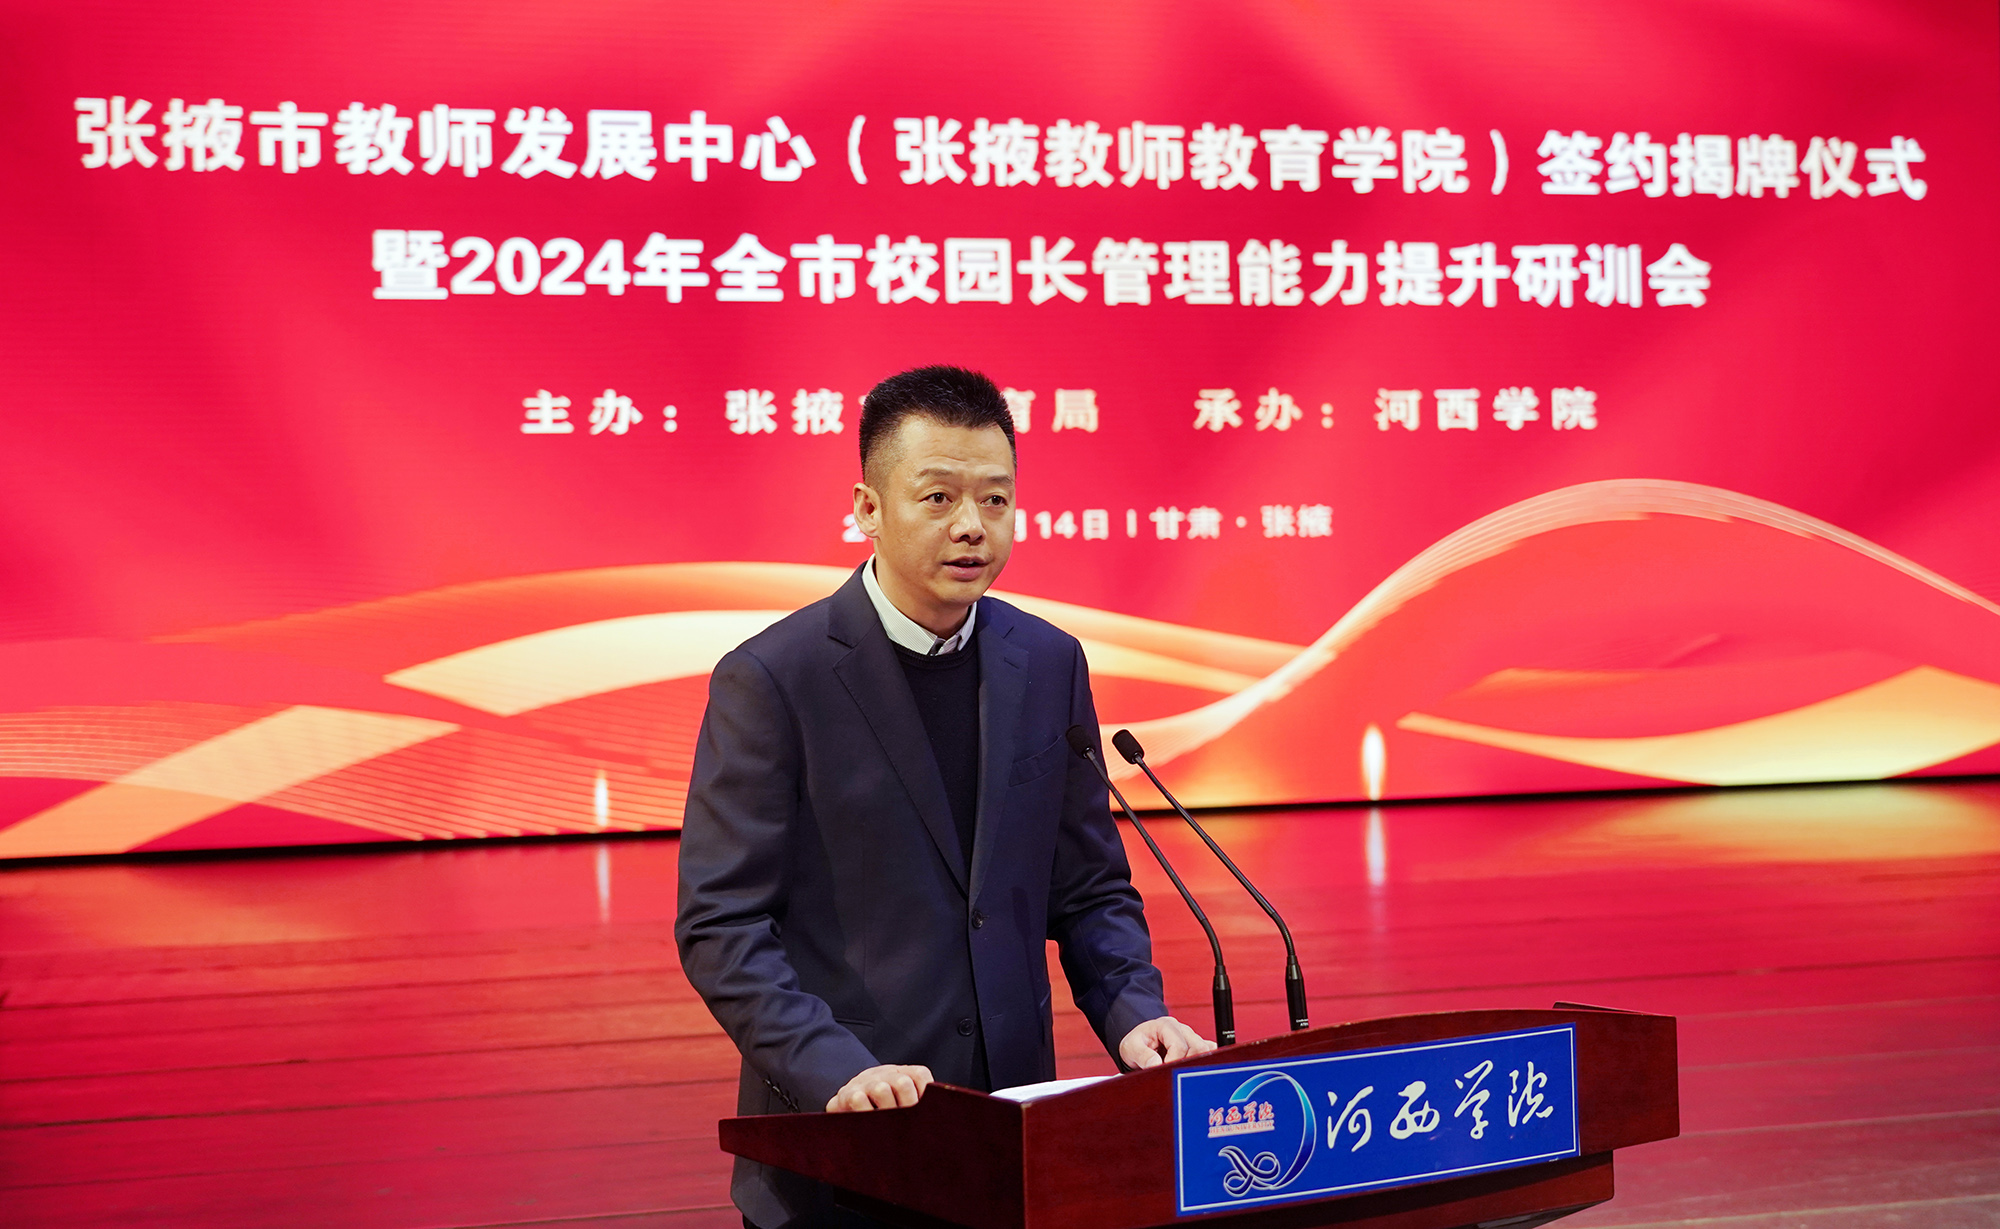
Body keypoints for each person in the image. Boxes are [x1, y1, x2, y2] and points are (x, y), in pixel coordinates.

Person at [676, 365, 1213, 1229]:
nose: (972, 525)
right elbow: (722, 924)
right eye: (938, 498)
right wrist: (834, 1066)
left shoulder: (1048, 662)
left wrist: (1133, 1012)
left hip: (1013, 1139)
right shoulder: (774, 679)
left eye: (995, 500)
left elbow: (1087, 887)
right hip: (843, 1142)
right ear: (868, 507)